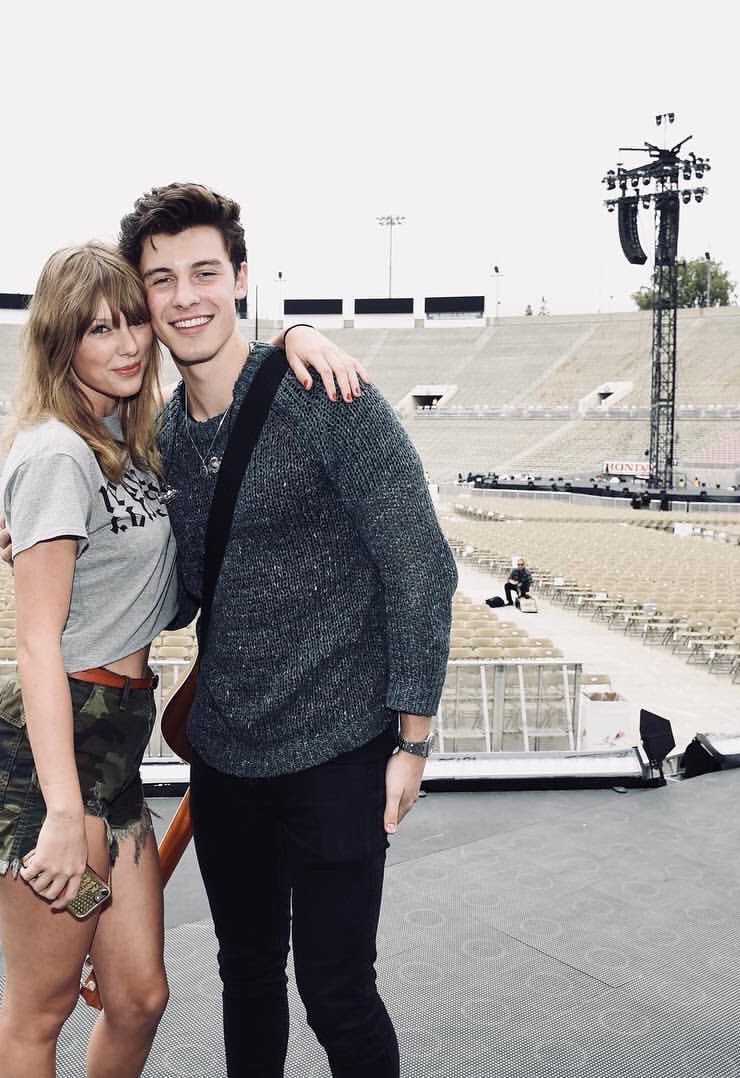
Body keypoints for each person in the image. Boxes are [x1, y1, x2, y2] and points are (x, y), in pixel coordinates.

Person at [0, 241, 368, 1078]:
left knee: (138, 998)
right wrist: (61, 812)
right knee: (40, 1009)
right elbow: (36, 643)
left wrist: (293, 337)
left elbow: (171, 578)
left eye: (132, 323)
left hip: (115, 753)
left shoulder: (125, 436)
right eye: (98, 330)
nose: (125, 345)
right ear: (59, 343)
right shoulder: (55, 453)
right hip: (52, 764)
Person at [115, 184, 454, 1077]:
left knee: (338, 992)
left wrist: (413, 740)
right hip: (227, 757)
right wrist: (56, 551)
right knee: (248, 974)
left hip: (340, 751)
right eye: (161, 279)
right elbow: (179, 596)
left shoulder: (326, 395)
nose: (185, 297)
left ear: (241, 279)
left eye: (204, 273)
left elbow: (421, 564)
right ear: (143, 299)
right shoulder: (160, 440)